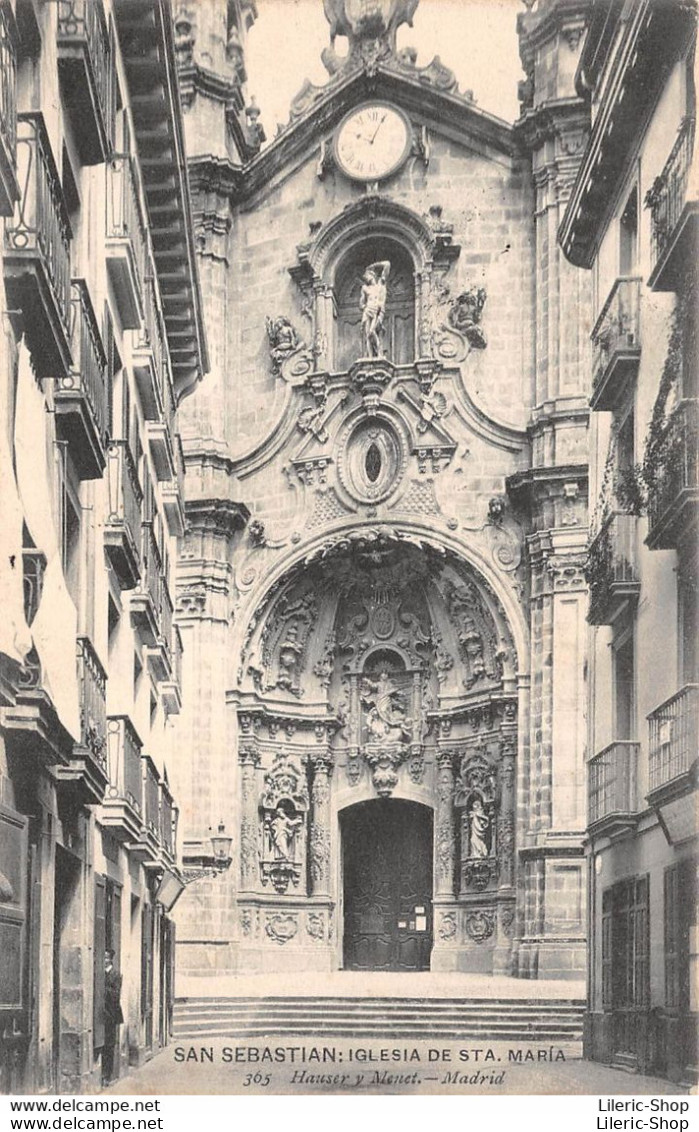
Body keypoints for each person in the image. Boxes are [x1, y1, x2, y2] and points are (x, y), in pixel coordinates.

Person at [360, 261, 391, 357]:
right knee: (368, 336)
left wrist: (373, 265)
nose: (366, 278)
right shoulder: (365, 288)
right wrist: (364, 307)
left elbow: (387, 264)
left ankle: (379, 353)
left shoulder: (380, 284)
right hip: (368, 310)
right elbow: (361, 303)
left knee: (371, 332)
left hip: (377, 312)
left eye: (367, 275)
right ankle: (370, 357)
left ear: (372, 275)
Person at [102, 949, 123, 1086]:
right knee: (103, 1043)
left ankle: (107, 1075)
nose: (103, 960)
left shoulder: (116, 975)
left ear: (110, 959)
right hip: (103, 1013)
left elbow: (116, 995)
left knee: (109, 1045)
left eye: (105, 958)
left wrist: (103, 988)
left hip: (112, 1014)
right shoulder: (100, 974)